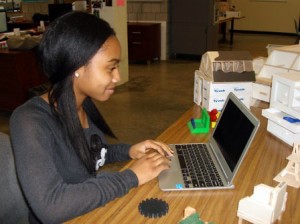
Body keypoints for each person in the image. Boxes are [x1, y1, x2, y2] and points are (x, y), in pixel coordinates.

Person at [9, 11, 173, 224]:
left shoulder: (82, 103)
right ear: (77, 67)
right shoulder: (29, 121)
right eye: (111, 67)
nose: (118, 77)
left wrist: (129, 150)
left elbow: (93, 152)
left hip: (90, 210)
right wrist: (132, 176)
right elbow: (51, 207)